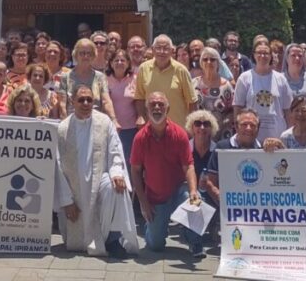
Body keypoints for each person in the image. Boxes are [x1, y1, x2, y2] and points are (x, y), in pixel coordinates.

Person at [55, 85, 139, 257]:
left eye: (89, 100)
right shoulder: (63, 129)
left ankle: (113, 240)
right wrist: (66, 200)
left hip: (100, 181)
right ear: (72, 102)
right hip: (75, 193)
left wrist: (116, 172)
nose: (86, 103)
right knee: (76, 243)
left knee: (115, 187)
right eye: (81, 100)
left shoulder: (104, 121)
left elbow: (115, 150)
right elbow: (57, 165)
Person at [130, 92, 205, 260]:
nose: (157, 108)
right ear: (147, 109)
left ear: (168, 109)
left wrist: (194, 190)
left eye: (161, 104)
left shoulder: (179, 134)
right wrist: (143, 203)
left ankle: (194, 240)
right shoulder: (140, 138)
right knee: (155, 246)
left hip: (179, 190)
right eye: (153, 105)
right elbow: (135, 171)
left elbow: (189, 165)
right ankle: (152, 228)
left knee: (195, 199)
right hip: (155, 196)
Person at [202, 109, 285, 205]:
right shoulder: (222, 148)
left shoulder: (264, 150)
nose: (248, 128)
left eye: (253, 125)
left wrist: (280, 148)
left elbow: (281, 175)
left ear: (258, 129)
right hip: (228, 209)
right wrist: (220, 197)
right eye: (244, 124)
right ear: (236, 127)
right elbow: (210, 181)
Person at [234, 40, 293, 142]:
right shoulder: (244, 78)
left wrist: (290, 134)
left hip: (277, 135)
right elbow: (238, 107)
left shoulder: (281, 79)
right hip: (251, 136)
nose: (262, 56)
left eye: (266, 53)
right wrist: (239, 132)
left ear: (271, 56)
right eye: (259, 53)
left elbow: (288, 110)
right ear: (254, 55)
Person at [59, 39, 117, 120]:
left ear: (93, 56)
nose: (85, 56)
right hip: (72, 123)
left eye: (89, 53)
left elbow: (106, 101)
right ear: (76, 55)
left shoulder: (100, 77)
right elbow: (62, 104)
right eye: (82, 53)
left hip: (95, 123)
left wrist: (113, 119)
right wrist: (65, 123)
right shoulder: (66, 77)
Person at [193, 46, 235, 140]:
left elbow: (232, 110)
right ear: (201, 63)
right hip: (199, 134)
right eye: (205, 59)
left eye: (212, 59)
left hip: (221, 134)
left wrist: (221, 125)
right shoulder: (194, 84)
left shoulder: (226, 85)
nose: (208, 62)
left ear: (218, 63)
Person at [106, 49, 139, 160]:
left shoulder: (135, 79)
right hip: (109, 128)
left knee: (128, 161)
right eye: (116, 60)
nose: (119, 63)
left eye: (122, 60)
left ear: (128, 63)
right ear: (111, 63)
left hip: (131, 129)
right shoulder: (104, 79)